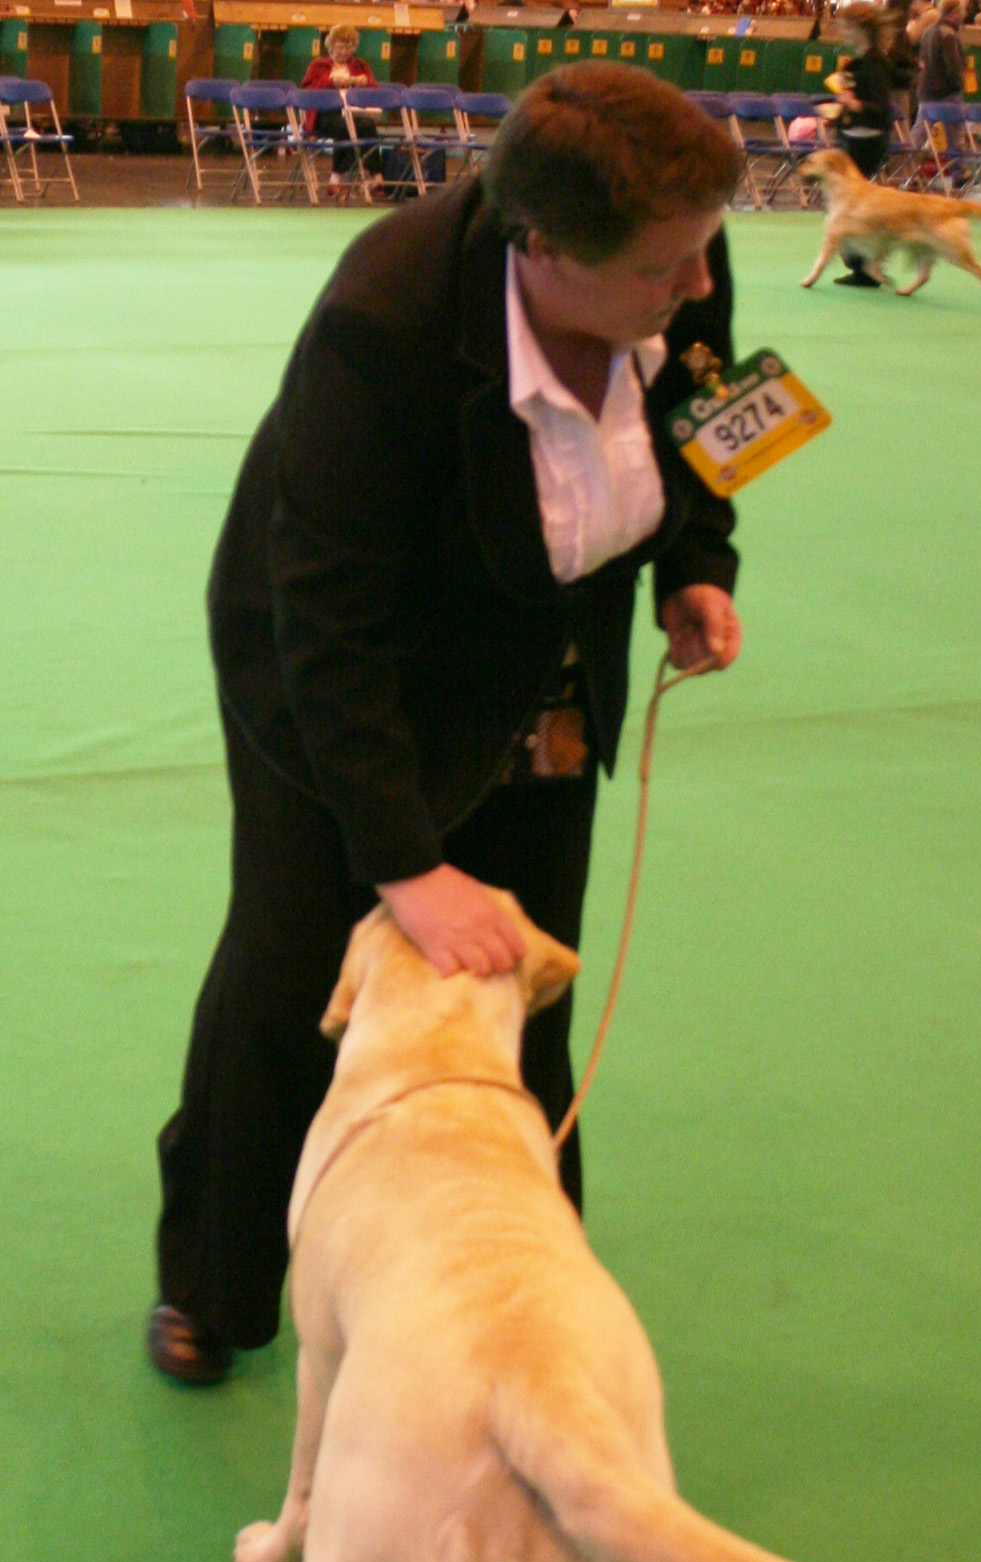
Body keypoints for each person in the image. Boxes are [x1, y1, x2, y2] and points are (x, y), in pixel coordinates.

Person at [149, 64, 745, 1386]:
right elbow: (328, 626)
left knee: (518, 983)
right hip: (345, 680)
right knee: (292, 980)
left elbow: (707, 419)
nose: (697, 288)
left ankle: (521, 1296)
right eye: (666, 270)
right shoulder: (388, 320)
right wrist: (406, 862)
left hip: (546, 659)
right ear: (542, 245)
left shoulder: (674, 248)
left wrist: (700, 563)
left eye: (701, 256)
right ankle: (216, 1280)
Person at [829, 2, 894, 284]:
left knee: (850, 208)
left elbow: (881, 111)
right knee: (849, 207)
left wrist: (854, 105)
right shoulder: (858, 63)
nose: (841, 32)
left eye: (845, 27)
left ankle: (865, 264)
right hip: (854, 140)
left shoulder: (874, 65)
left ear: (858, 29)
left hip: (867, 143)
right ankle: (863, 264)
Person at [299, 24, 380, 198]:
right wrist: (332, 82)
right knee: (346, 127)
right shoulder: (319, 65)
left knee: (367, 125)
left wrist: (365, 82)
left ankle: (376, 176)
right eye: (341, 47)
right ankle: (337, 177)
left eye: (349, 47)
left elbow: (375, 89)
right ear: (332, 45)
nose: (344, 51)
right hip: (324, 115)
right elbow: (307, 90)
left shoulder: (360, 65)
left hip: (352, 112)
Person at [916, 0, 966, 183]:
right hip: (947, 93)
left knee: (919, 133)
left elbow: (921, 61)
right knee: (954, 137)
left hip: (926, 91)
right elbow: (952, 67)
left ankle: (906, 168)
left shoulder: (928, 31)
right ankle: (959, 174)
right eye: (961, 11)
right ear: (953, 13)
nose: (964, 14)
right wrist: (959, 84)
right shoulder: (949, 35)